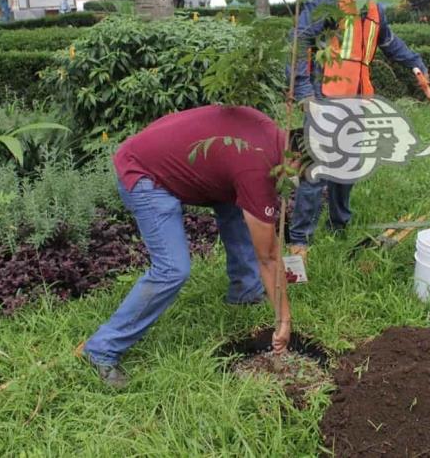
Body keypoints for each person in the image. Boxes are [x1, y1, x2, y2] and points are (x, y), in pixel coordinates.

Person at [80, 105, 301, 388]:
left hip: (156, 150)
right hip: (144, 173)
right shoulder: (255, 168)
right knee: (173, 269)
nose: (299, 184)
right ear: (295, 158)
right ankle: (102, 349)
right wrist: (284, 319)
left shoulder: (266, 132)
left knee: (237, 207)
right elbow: (269, 257)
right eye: (303, 175)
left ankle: (245, 292)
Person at [286, 0, 429, 261]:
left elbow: (390, 43)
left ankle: (340, 225)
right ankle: (300, 238)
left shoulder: (375, 10)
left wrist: (416, 62)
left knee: (347, 169)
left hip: (358, 101)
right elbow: (299, 40)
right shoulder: (328, 0)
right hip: (325, 98)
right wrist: (303, 91)